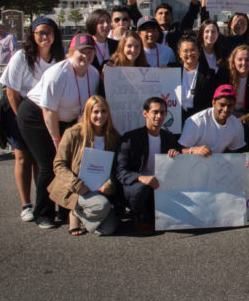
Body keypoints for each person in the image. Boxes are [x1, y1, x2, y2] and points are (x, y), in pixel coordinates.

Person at [17, 33, 100, 229]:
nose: (86, 56)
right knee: (50, 163)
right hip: (37, 116)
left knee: (70, 163)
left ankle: (65, 208)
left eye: (90, 52)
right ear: (71, 52)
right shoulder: (58, 73)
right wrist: (56, 140)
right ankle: (43, 213)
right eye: (82, 51)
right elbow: (48, 111)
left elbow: (85, 108)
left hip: (67, 119)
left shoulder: (93, 73)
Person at [0, 17, 66, 222]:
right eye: (40, 33)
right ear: (33, 35)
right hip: (21, 112)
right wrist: (21, 118)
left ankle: (43, 202)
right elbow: (12, 92)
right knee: (23, 158)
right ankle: (26, 204)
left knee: (43, 160)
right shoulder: (21, 56)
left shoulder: (58, 57)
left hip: (46, 115)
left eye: (49, 33)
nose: (45, 37)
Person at [48, 96, 120, 236]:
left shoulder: (113, 136)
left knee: (108, 229)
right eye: (96, 112)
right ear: (88, 113)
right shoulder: (73, 133)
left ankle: (81, 215)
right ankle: (75, 211)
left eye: (103, 111)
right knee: (102, 206)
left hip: (100, 190)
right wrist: (77, 185)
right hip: (78, 189)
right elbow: (59, 164)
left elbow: (116, 166)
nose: (100, 116)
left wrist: (110, 184)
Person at [116, 97, 182, 235]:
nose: (159, 116)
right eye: (155, 112)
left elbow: (177, 164)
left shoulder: (169, 137)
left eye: (163, 112)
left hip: (160, 184)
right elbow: (120, 172)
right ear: (145, 113)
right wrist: (141, 178)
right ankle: (140, 219)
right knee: (142, 188)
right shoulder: (130, 138)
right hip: (137, 185)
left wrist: (175, 155)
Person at [125, 0, 200, 51]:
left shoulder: (178, 30)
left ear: (172, 18)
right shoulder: (149, 31)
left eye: (167, 13)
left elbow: (192, 13)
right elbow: (134, 11)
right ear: (155, 17)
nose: (163, 16)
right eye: (160, 13)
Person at [180, 84, 246, 156]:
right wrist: (194, 150)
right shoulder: (196, 122)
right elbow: (180, 151)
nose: (226, 109)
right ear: (213, 103)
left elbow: (233, 152)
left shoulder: (237, 125)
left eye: (230, 106)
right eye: (222, 105)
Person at [174, 35, 218, 121]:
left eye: (193, 50)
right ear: (179, 53)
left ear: (199, 52)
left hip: (199, 117)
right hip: (177, 116)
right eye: (185, 51)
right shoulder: (173, 70)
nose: (189, 54)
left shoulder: (209, 73)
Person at [218, 45, 249, 117]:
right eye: (240, 59)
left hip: (248, 113)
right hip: (227, 111)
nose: (244, 63)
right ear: (233, 61)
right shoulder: (224, 74)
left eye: (247, 60)